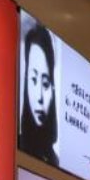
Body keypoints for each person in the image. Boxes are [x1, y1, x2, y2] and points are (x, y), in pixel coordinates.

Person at [21, 22, 60, 167]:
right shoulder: (16, 145)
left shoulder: (55, 161)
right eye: (33, 80)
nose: (39, 97)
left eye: (45, 83)